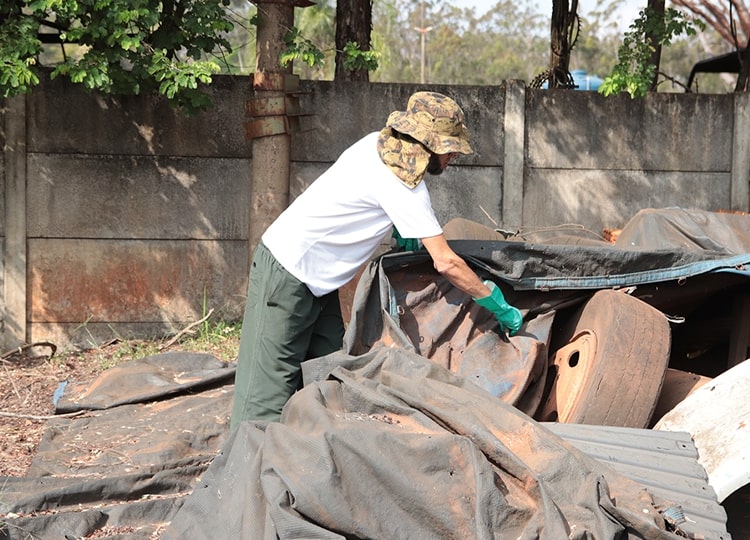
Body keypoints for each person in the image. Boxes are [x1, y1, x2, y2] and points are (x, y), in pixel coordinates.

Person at [230, 91, 523, 428]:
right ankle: (245, 474)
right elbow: (447, 262)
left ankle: (310, 461)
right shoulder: (404, 186)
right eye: (450, 147)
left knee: (326, 380)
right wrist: (497, 304)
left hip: (319, 285)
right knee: (263, 404)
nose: (454, 154)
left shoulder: (378, 144)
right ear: (430, 143)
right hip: (286, 272)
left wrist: (406, 230)